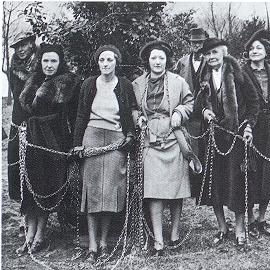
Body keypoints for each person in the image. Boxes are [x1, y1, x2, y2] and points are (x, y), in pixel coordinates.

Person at [72, 45, 136, 263]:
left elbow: (129, 113)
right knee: (91, 193)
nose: (106, 64)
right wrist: (78, 144)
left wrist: (129, 135)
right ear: (97, 63)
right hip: (92, 137)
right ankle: (91, 245)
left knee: (109, 192)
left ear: (116, 61)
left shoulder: (125, 85)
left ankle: (104, 243)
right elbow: (81, 115)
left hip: (115, 140)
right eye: (102, 60)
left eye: (110, 59)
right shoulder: (89, 84)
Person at [17, 43, 82, 254]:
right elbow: (25, 111)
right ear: (40, 62)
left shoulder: (68, 83)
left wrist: (73, 143)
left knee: (45, 184)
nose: (49, 65)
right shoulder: (33, 80)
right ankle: (29, 232)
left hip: (54, 138)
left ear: (60, 62)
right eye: (45, 60)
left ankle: (40, 234)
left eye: (54, 61)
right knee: (31, 184)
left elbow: (73, 117)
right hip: (32, 138)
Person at [194, 38, 259, 247]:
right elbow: (196, 104)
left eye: (215, 53)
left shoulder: (238, 73)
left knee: (237, 183)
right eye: (208, 54)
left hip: (236, 136)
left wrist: (248, 126)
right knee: (215, 183)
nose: (211, 57)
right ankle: (222, 227)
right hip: (213, 137)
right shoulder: (203, 76)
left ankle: (240, 228)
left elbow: (253, 102)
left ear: (223, 52)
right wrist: (204, 111)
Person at [132, 40, 194, 255]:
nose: (157, 62)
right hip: (150, 140)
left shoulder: (178, 81)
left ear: (167, 60)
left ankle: (175, 233)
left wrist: (179, 112)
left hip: (174, 137)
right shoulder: (138, 84)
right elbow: (132, 108)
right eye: (153, 58)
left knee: (176, 189)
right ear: (147, 61)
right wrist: (138, 118)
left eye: (161, 57)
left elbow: (189, 103)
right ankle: (158, 239)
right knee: (154, 190)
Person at [243, 29, 270, 237]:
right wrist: (246, 125)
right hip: (251, 124)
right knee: (250, 169)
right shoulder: (241, 73)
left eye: (258, 48)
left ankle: (262, 217)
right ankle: (249, 218)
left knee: (269, 168)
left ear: (267, 51)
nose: (254, 51)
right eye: (251, 48)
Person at [8, 31, 38, 203]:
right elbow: (16, 93)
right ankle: (22, 211)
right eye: (17, 46)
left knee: (35, 165)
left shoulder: (42, 63)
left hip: (37, 121)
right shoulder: (14, 67)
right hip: (18, 119)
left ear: (32, 43)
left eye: (23, 44)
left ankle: (36, 208)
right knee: (17, 163)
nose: (20, 49)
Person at [174, 27, 208, 156]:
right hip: (187, 114)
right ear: (190, 44)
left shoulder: (210, 61)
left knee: (206, 151)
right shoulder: (181, 63)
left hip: (205, 114)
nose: (196, 45)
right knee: (188, 149)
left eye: (199, 42)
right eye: (194, 42)